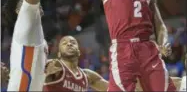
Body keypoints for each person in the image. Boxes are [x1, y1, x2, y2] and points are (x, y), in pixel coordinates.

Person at [43, 36, 182, 92]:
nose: (69, 43)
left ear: (79, 52)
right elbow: (45, 69)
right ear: (59, 53)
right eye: (64, 43)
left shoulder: (87, 76)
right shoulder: (56, 66)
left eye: (73, 42)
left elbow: (113, 88)